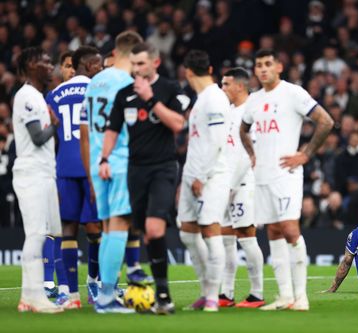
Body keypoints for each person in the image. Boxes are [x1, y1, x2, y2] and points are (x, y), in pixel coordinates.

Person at [240, 48, 334, 311]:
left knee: (290, 229)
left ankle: (301, 297)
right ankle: (284, 296)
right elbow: (242, 129)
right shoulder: (254, 99)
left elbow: (326, 121)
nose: (262, 69)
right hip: (262, 175)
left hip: (286, 173)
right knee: (273, 231)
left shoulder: (293, 93)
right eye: (258, 65)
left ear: (279, 66)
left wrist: (305, 154)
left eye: (268, 64)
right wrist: (252, 154)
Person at [101, 42, 185, 314]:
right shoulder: (124, 94)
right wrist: (104, 158)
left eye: (141, 64)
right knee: (146, 234)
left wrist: (150, 99)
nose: (135, 69)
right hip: (135, 170)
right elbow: (113, 130)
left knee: (154, 228)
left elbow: (177, 124)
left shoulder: (170, 89)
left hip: (163, 167)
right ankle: (159, 294)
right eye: (133, 64)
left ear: (155, 63)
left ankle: (164, 296)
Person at [80, 31, 143, 314]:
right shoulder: (129, 84)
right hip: (119, 159)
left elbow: (84, 129)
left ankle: (105, 295)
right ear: (133, 55)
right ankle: (106, 297)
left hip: (96, 161)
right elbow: (133, 127)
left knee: (107, 228)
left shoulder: (94, 83)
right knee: (118, 226)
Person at [45, 46, 103, 309]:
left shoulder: (54, 93)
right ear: (89, 65)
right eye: (98, 64)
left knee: (67, 229)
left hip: (64, 167)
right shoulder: (98, 88)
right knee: (95, 229)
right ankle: (96, 285)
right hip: (90, 166)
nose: (100, 69)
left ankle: (70, 294)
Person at [178, 49, 231, 313]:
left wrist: (202, 175)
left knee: (210, 231)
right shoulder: (200, 100)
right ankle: (204, 290)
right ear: (209, 69)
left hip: (212, 175)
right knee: (187, 232)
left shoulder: (215, 98)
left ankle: (212, 296)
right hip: (192, 173)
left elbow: (218, 141)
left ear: (187, 71)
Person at [13, 46, 63, 313]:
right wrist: (55, 124)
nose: (50, 65)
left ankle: (27, 297)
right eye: (45, 61)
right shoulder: (27, 96)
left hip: (43, 173)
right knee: (35, 234)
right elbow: (37, 137)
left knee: (43, 234)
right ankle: (34, 297)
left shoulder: (37, 96)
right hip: (31, 173)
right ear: (31, 65)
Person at [218, 67, 265, 308]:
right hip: (225, 182)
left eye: (226, 84)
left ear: (239, 85)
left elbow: (250, 154)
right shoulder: (228, 111)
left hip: (244, 182)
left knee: (246, 236)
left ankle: (257, 293)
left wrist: (232, 185)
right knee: (226, 237)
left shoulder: (251, 111)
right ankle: (226, 293)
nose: (222, 88)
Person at [42, 50, 75, 301]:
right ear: (60, 70)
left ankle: (99, 284)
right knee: (55, 227)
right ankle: (49, 281)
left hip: (84, 169)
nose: (71, 70)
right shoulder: (51, 98)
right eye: (67, 66)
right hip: (57, 169)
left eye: (75, 66)